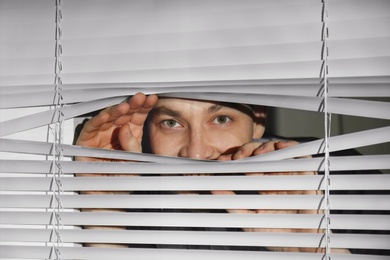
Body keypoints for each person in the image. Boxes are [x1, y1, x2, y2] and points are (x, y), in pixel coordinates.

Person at [75, 92, 349, 253]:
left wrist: (318, 250)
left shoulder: (337, 178)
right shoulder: (121, 189)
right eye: (171, 122)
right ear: (145, 128)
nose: (196, 153)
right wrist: (105, 214)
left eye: (220, 119)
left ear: (259, 121)